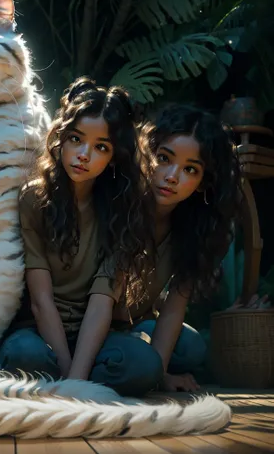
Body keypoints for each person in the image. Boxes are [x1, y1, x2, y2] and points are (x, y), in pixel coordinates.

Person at [0, 77, 154, 383]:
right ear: (61, 138)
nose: (84, 154)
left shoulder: (125, 209)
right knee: (24, 355)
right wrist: (71, 375)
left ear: (113, 158)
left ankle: (71, 377)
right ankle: (75, 375)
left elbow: (101, 304)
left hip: (94, 332)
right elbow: (40, 301)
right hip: (38, 330)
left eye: (101, 147)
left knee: (144, 365)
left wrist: (75, 379)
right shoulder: (34, 198)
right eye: (75, 139)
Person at [87, 104, 242, 395]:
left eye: (190, 169)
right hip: (84, 320)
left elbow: (173, 309)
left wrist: (157, 374)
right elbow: (98, 301)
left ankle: (131, 359)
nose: (172, 176)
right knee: (142, 364)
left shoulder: (192, 229)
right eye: (163, 158)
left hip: (129, 325)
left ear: (202, 183)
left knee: (192, 348)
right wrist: (153, 371)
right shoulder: (123, 202)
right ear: (146, 152)